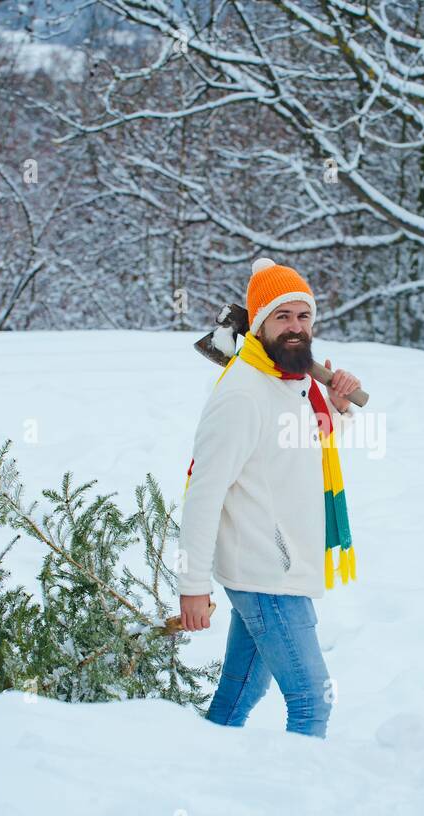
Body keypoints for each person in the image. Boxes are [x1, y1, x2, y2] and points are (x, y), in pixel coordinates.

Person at [177, 257, 361, 738]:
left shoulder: (292, 384)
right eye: (282, 317)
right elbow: (204, 494)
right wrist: (193, 585)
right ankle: (300, 806)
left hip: (284, 566)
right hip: (267, 571)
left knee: (238, 695)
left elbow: (298, 450)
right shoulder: (243, 394)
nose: (296, 327)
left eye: (303, 316)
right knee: (312, 700)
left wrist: (338, 409)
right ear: (257, 325)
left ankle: (202, 766)